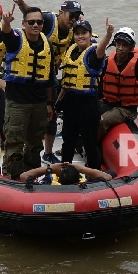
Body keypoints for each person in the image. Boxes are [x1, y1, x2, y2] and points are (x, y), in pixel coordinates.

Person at [12, 0, 83, 164]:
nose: (73, 19)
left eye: (76, 16)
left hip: (50, 76)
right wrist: (20, 3)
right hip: (33, 76)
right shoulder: (48, 21)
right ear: (61, 13)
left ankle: (50, 151)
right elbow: (31, 14)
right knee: (37, 113)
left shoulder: (74, 30)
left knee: (56, 111)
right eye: (70, 15)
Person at [0, 6, 56, 178]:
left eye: (39, 22)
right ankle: (13, 176)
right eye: (31, 22)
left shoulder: (48, 46)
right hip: (17, 103)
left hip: (39, 103)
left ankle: (32, 174)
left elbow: (50, 78)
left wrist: (49, 104)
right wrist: (6, 22)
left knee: (35, 143)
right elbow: (7, 35)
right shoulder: (17, 40)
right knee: (14, 143)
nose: (35, 25)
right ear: (24, 24)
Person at [58, 18, 113, 169]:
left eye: (84, 33)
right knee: (68, 140)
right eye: (77, 33)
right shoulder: (72, 51)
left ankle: (94, 171)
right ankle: (65, 169)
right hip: (70, 102)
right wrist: (58, 100)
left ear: (90, 35)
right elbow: (67, 80)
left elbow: (100, 52)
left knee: (89, 141)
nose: (80, 36)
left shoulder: (93, 54)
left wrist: (108, 35)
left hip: (88, 104)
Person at [18, 162, 114, 184]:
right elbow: (108, 176)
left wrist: (50, 168)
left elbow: (23, 176)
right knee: (111, 172)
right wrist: (81, 168)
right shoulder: (86, 185)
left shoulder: (46, 185)